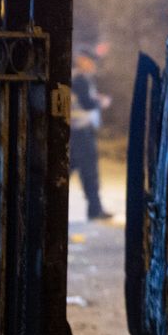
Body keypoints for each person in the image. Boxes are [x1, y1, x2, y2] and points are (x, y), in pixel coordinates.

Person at [71, 49, 113, 220]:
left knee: (79, 167)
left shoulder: (80, 78)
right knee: (88, 171)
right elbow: (87, 104)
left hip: (79, 130)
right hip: (81, 131)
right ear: (82, 60)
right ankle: (95, 210)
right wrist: (100, 102)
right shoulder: (80, 79)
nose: (93, 65)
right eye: (90, 61)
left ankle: (95, 208)